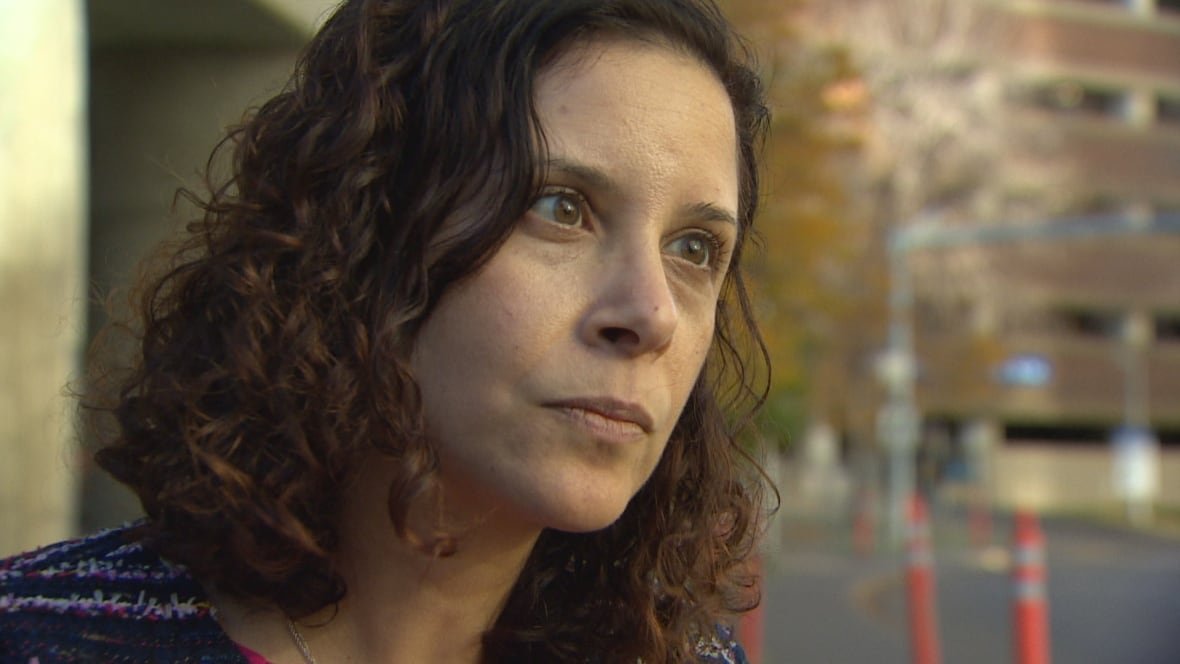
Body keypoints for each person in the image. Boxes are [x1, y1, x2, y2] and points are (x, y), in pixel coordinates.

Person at [0, 0, 772, 661]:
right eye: (560, 207)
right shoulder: (45, 634)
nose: (651, 314)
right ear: (366, 226)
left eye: (694, 249)